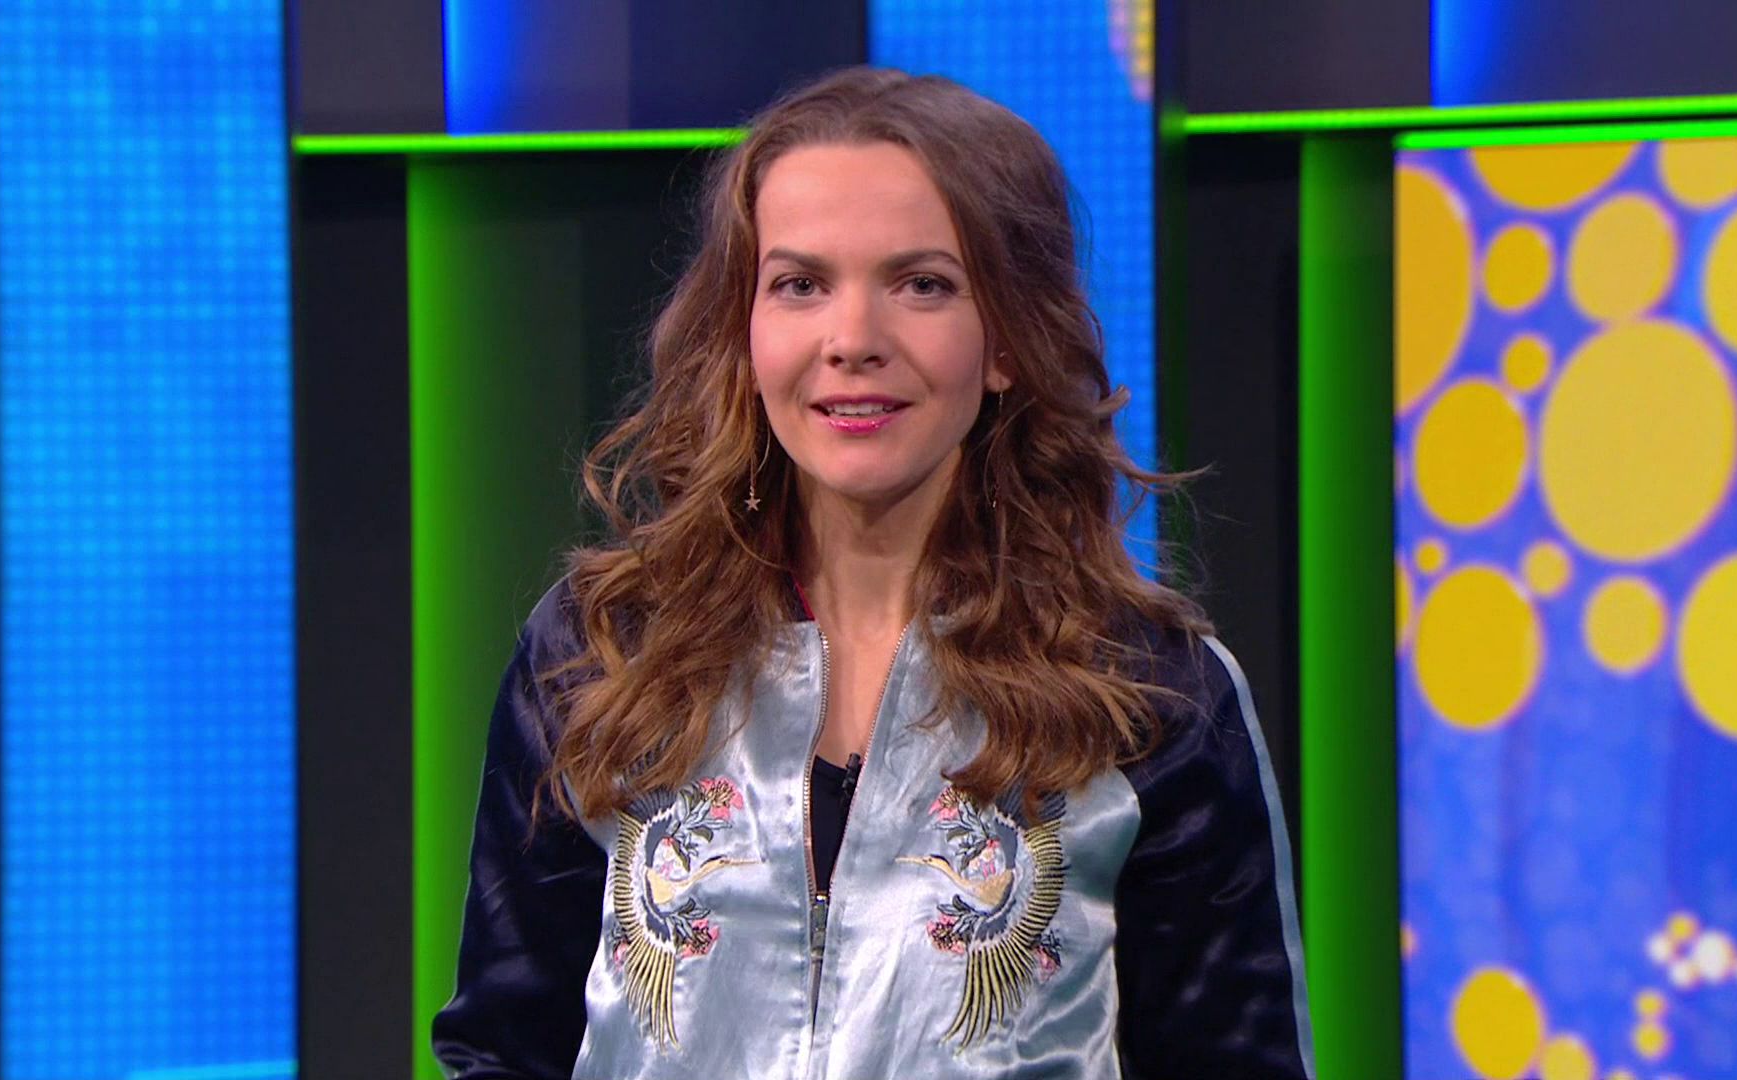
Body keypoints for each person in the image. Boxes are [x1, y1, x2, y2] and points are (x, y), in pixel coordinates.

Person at [432, 65, 1313, 1079]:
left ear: (1006, 342)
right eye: (800, 285)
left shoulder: (1148, 689)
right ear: (744, 332)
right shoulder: (600, 651)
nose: (852, 341)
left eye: (921, 285)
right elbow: (503, 1050)